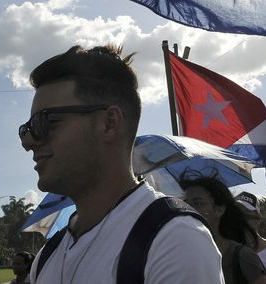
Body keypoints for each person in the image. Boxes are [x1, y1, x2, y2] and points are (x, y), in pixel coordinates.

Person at [22, 45, 222, 283]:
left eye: (47, 121)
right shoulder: (48, 255)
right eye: (26, 128)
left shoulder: (174, 238)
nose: (29, 141)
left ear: (109, 123)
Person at [182, 175, 266, 284]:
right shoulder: (180, 254)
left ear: (219, 210)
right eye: (185, 203)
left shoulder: (243, 256)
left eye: (198, 203)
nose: (189, 210)